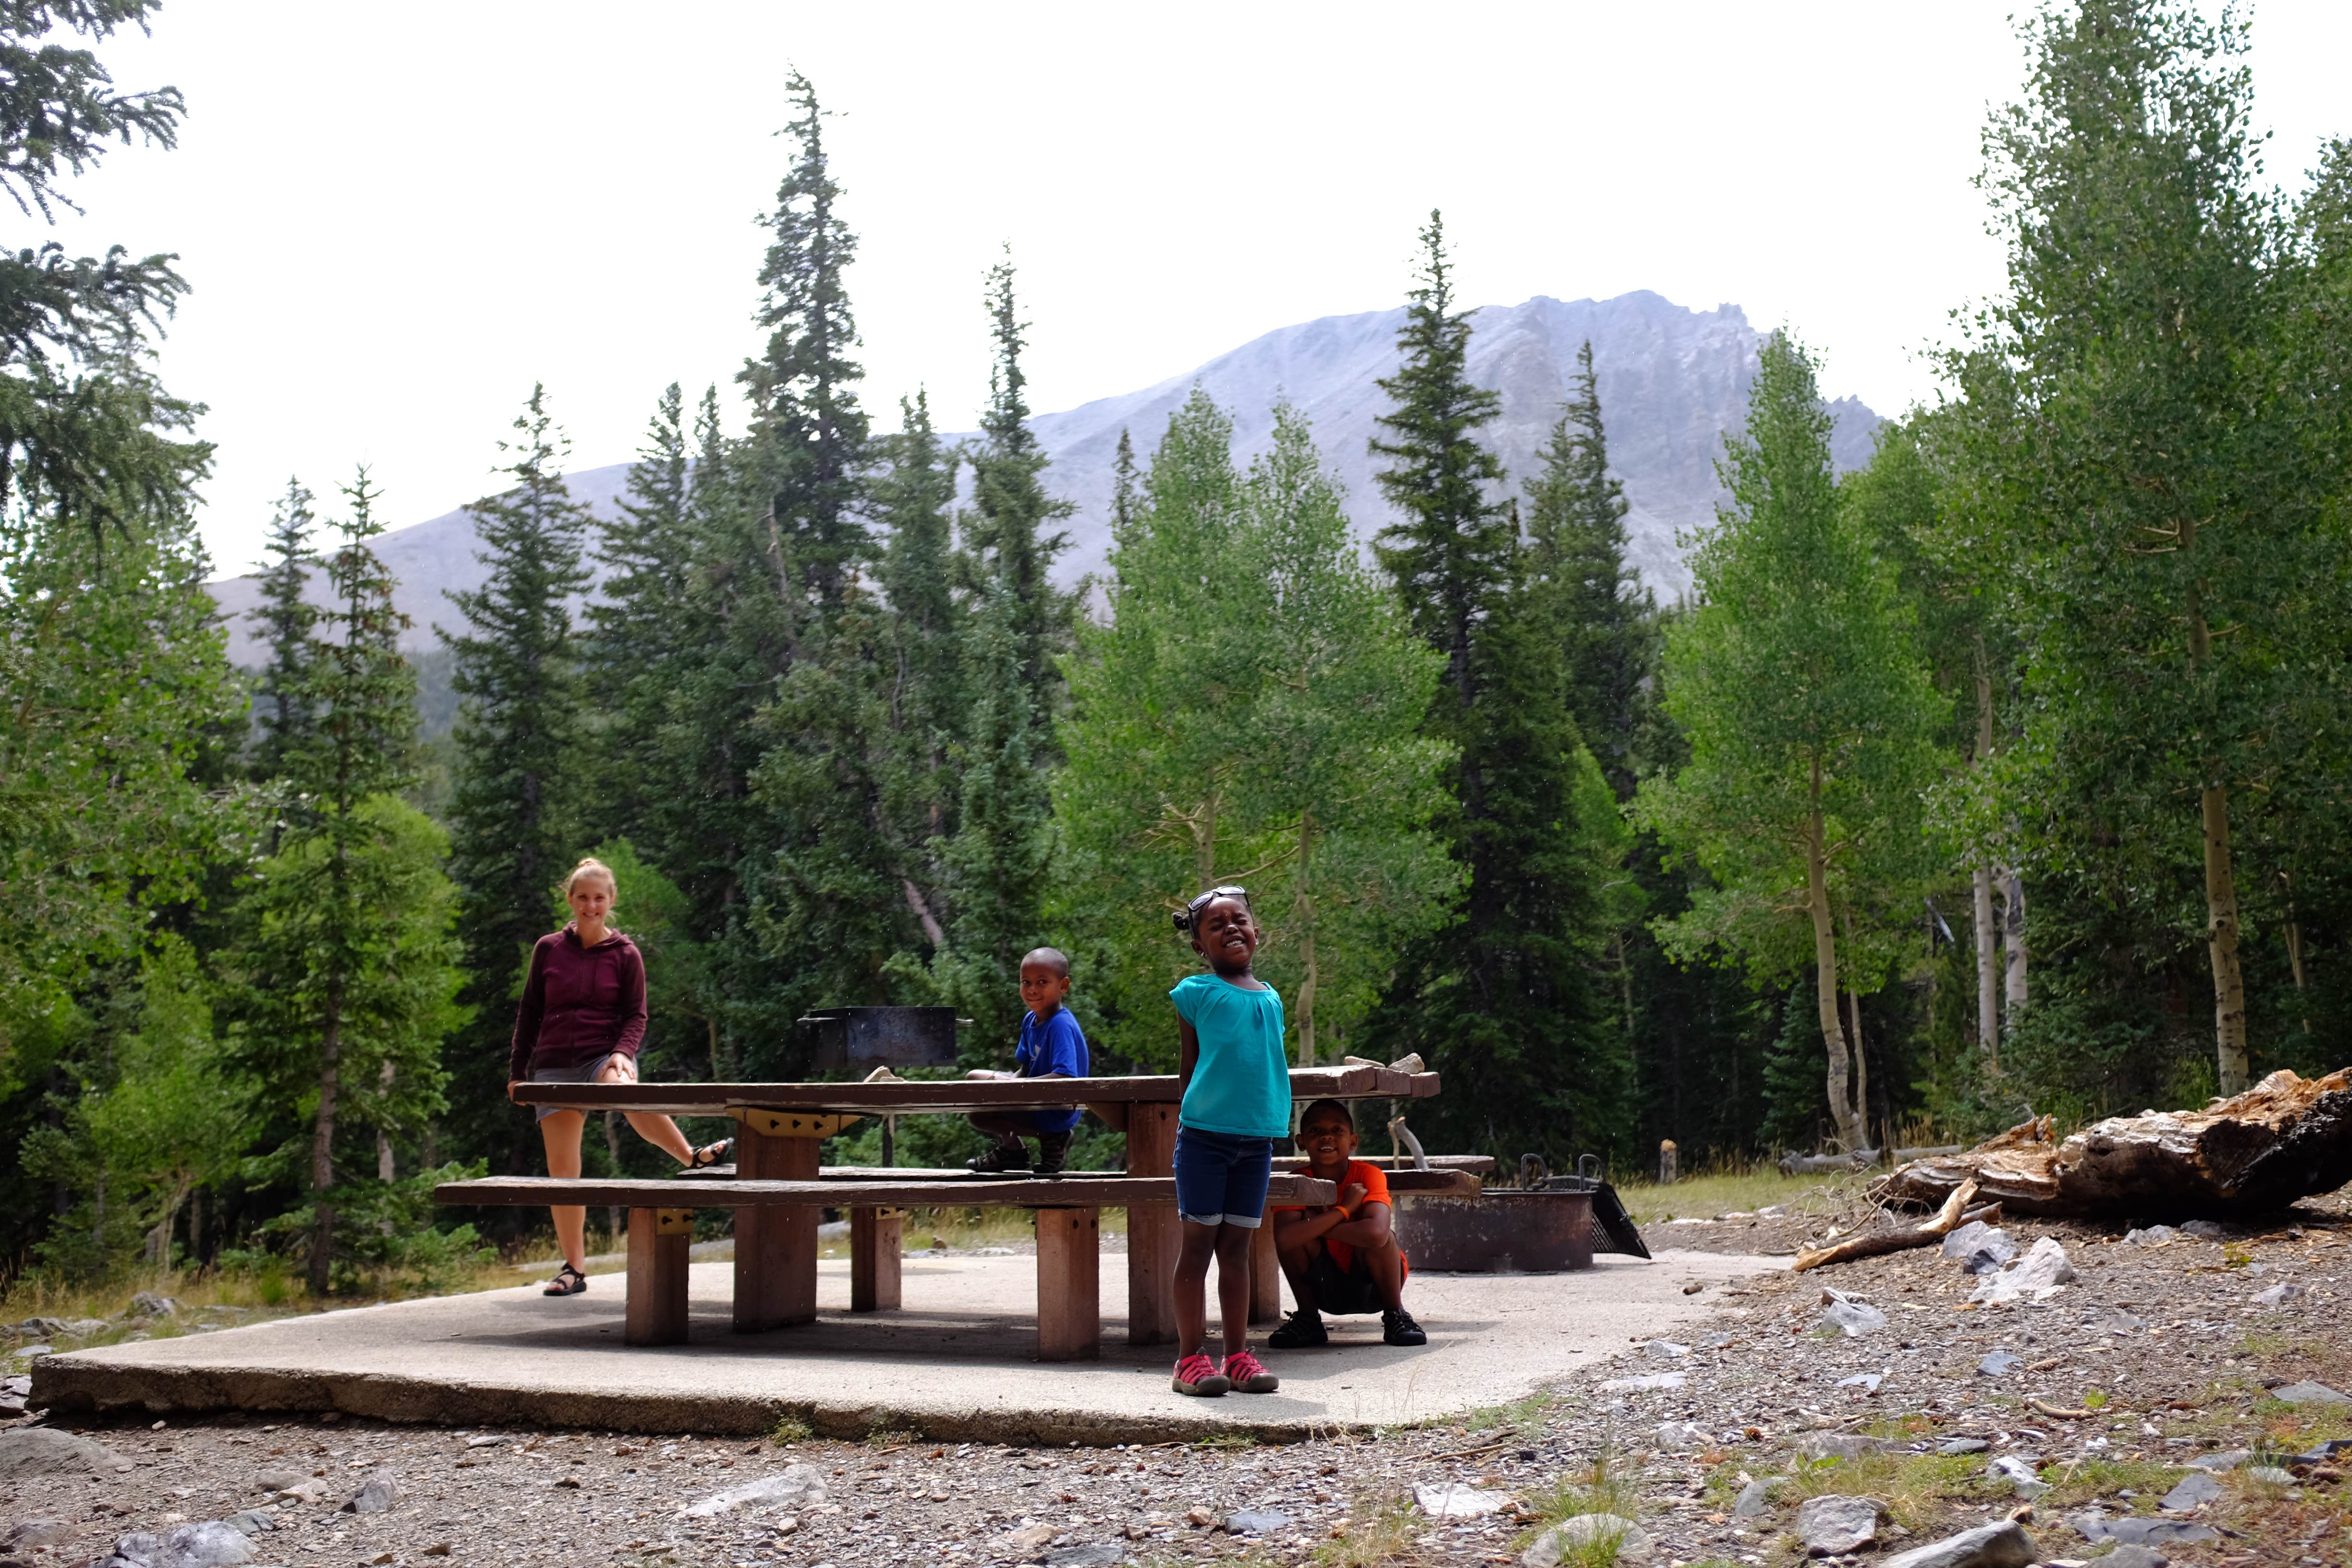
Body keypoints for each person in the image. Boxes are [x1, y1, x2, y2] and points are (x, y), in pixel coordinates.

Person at [506, 857, 730, 1297]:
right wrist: (518, 1072)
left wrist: (622, 1053)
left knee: (628, 1092)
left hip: (601, 1058)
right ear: (570, 900)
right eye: (583, 897)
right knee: (564, 1170)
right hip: (554, 1064)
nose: (591, 905)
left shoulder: (626, 954)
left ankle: (688, 1156)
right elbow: (529, 1012)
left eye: (599, 898)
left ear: (611, 902)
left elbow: (636, 1015)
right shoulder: (548, 949)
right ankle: (573, 1270)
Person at [1166, 885, 1291, 1396]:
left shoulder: (1273, 996)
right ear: (1200, 946)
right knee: (1198, 1248)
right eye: (1215, 926)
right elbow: (1189, 1068)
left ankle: (1237, 1355)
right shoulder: (1196, 993)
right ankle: (1188, 1360)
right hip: (1204, 1141)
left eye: (1238, 919)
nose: (1230, 929)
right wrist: (1191, 1124)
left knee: (1236, 1250)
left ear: (1257, 931)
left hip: (1255, 1143)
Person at [1268, 1098, 1428, 1348]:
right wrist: (1345, 1209)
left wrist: (1316, 1225)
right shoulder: (1298, 1181)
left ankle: (1396, 1314)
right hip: (1324, 1287)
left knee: (1386, 1238)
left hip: (1374, 1286)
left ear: (1353, 1141)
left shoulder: (1368, 1175)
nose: (1327, 1138)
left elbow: (1376, 1235)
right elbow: (1286, 1239)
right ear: (1301, 1142)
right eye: (1316, 1131)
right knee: (1293, 1240)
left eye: (1337, 1131)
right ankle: (1308, 1319)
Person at [965, 947, 1090, 1175]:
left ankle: (1054, 1138)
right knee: (974, 1081)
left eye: (1042, 982)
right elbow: (1025, 1068)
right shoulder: (1031, 1019)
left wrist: (1014, 1089)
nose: (1032, 990)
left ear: (1063, 986)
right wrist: (1009, 1086)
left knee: (981, 1111)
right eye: (1026, 982)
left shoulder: (1060, 1025)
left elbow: (1066, 1078)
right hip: (1033, 1096)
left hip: (1056, 1107)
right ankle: (1013, 1151)